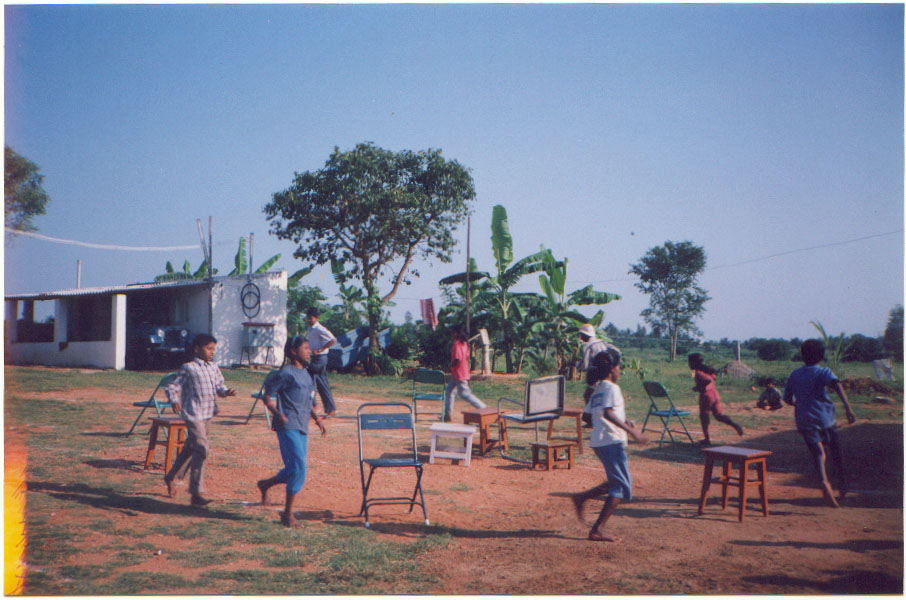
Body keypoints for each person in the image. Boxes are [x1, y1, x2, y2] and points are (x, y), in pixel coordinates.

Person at [571, 348, 647, 542]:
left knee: (617, 481)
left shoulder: (598, 389)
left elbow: (589, 415)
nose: (620, 371)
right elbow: (607, 413)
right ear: (613, 369)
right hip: (611, 441)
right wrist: (632, 431)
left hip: (599, 440)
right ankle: (597, 529)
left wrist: (623, 421)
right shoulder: (612, 388)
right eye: (619, 367)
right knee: (621, 487)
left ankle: (582, 497)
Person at [256, 335, 327, 528]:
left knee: (293, 469)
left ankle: (265, 484)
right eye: (305, 347)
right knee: (300, 467)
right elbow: (267, 395)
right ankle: (287, 514)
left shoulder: (307, 374)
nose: (310, 351)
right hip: (287, 426)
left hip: (302, 426)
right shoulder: (286, 372)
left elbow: (309, 402)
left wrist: (317, 419)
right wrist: (276, 413)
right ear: (294, 352)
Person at [163, 334, 236, 506]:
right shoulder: (189, 368)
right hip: (193, 414)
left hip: (207, 414)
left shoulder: (214, 367)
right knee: (202, 449)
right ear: (197, 349)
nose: (212, 352)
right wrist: (175, 400)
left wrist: (226, 392)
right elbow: (172, 386)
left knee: (191, 449)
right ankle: (196, 493)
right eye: (209, 348)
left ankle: (170, 476)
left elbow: (219, 387)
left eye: (214, 349)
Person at [783, 339, 856, 508]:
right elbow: (837, 386)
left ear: (802, 355)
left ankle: (824, 482)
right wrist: (848, 408)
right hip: (825, 420)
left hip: (804, 420)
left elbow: (787, 398)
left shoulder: (795, 374)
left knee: (818, 454)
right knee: (836, 453)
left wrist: (800, 405)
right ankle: (843, 487)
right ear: (821, 356)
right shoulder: (823, 372)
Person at [688, 353, 744, 446]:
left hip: (706, 396)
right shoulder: (706, 370)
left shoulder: (698, 372)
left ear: (694, 363)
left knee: (704, 417)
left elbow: (707, 380)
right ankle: (733, 424)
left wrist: (698, 387)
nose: (689, 365)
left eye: (689, 362)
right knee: (718, 415)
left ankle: (707, 439)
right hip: (714, 394)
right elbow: (712, 378)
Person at [443, 325, 487, 422]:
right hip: (460, 372)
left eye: (453, 332)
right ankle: (447, 415)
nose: (452, 334)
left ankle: (484, 408)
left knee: (465, 394)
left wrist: (449, 366)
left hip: (459, 373)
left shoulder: (457, 344)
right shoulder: (464, 343)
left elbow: (457, 359)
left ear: (457, 333)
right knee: (449, 391)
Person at [576, 324, 621, 408]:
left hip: (595, 376)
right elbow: (616, 352)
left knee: (589, 396)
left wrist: (576, 365)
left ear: (585, 335)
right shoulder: (602, 342)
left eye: (581, 335)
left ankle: (592, 415)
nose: (580, 337)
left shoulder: (588, 346)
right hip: (607, 375)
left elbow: (584, 365)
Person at [305, 307, 338, 417]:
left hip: (321, 358)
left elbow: (333, 339)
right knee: (322, 384)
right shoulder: (310, 329)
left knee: (308, 379)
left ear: (317, 318)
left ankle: (315, 406)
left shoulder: (320, 328)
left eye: (311, 318)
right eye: (307, 318)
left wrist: (320, 349)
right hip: (315, 358)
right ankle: (331, 409)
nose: (309, 320)